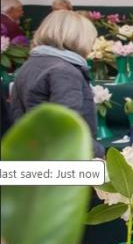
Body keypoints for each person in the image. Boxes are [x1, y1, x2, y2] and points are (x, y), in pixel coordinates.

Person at [9, 10, 104, 157]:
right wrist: (97, 153)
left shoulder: (28, 65)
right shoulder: (65, 71)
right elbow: (66, 129)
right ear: (78, 38)